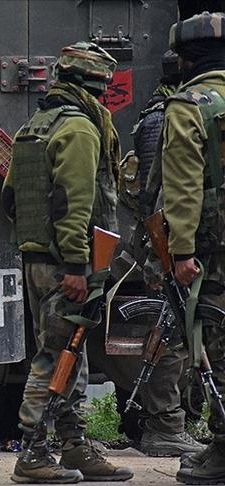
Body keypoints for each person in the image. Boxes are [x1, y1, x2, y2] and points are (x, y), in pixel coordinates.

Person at [1, 41, 134, 483]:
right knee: (55, 356)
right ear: (95, 85)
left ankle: (74, 446)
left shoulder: (36, 125)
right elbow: (74, 203)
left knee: (71, 355)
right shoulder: (79, 129)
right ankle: (32, 454)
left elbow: (10, 198)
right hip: (67, 265)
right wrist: (77, 266)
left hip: (40, 259)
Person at [115, 50, 205, 458]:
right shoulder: (173, 117)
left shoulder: (155, 115)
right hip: (172, 240)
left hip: (164, 239)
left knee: (177, 331)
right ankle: (166, 425)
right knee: (175, 334)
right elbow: (168, 191)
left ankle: (167, 420)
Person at [150, 11, 225, 484]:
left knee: (217, 344)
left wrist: (181, 252)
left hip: (215, 249)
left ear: (187, 59)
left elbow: (182, 187)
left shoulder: (189, 106)